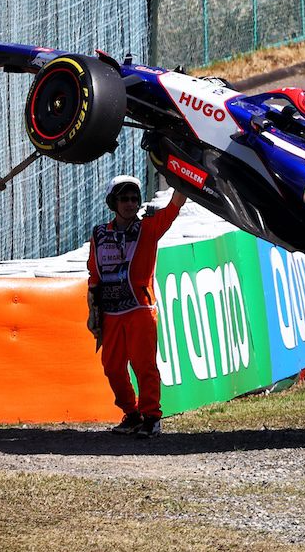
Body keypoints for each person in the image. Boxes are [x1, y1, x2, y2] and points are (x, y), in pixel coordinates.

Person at [89, 175, 185, 437]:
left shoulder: (149, 228)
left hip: (140, 310)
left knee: (144, 365)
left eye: (134, 198)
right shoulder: (99, 234)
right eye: (124, 199)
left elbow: (175, 206)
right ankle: (131, 414)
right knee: (112, 367)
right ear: (113, 202)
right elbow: (94, 277)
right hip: (110, 313)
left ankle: (152, 416)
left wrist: (184, 174)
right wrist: (93, 314)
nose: (130, 204)